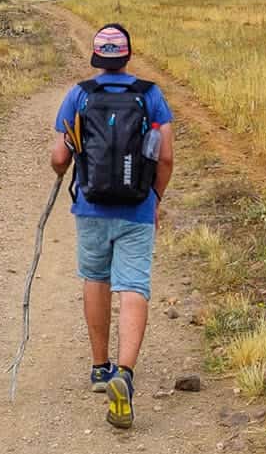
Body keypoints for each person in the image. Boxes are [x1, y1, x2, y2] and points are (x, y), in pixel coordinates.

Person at [50, 23, 175, 429]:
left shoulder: (80, 95)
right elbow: (167, 157)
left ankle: (100, 367)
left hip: (91, 206)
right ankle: (126, 373)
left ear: (96, 58)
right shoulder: (151, 96)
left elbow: (57, 158)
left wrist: (67, 158)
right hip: (137, 207)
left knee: (96, 278)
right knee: (133, 286)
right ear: (128, 56)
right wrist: (154, 200)